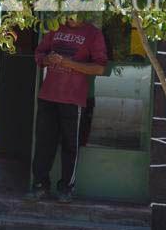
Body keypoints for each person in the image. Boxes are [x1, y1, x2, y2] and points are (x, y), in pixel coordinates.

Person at [26, 17, 107, 203]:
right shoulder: (54, 28)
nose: (71, 15)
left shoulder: (93, 34)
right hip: (48, 96)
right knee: (43, 144)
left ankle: (67, 188)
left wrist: (68, 63)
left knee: (71, 146)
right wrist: (48, 59)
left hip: (73, 99)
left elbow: (100, 68)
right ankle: (40, 186)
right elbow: (39, 55)